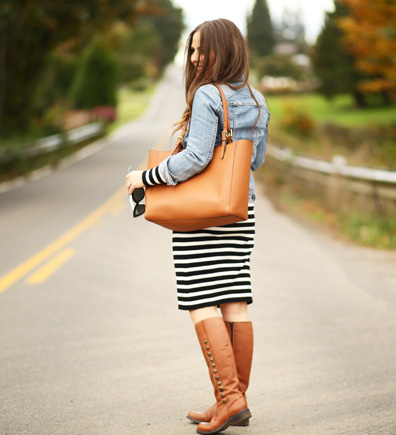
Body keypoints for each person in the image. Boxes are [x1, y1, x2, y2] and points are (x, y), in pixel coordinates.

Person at [126, 18, 269, 435]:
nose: (193, 58)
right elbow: (253, 162)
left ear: (222, 50)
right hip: (241, 210)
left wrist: (145, 178)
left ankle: (230, 399)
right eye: (191, 50)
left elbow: (195, 159)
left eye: (200, 50)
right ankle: (232, 399)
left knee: (200, 299)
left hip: (202, 216)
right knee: (235, 301)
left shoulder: (209, 94)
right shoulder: (258, 99)